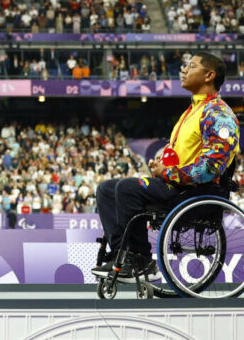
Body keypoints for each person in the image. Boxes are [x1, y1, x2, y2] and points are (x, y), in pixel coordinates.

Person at [93, 52, 239, 278]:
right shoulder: (192, 111)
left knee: (127, 188)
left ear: (209, 75)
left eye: (191, 66)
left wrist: (168, 172)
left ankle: (140, 258)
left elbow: (211, 167)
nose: (184, 70)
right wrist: (162, 165)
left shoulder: (219, 114)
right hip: (176, 185)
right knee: (106, 189)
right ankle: (120, 254)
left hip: (194, 192)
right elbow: (185, 156)